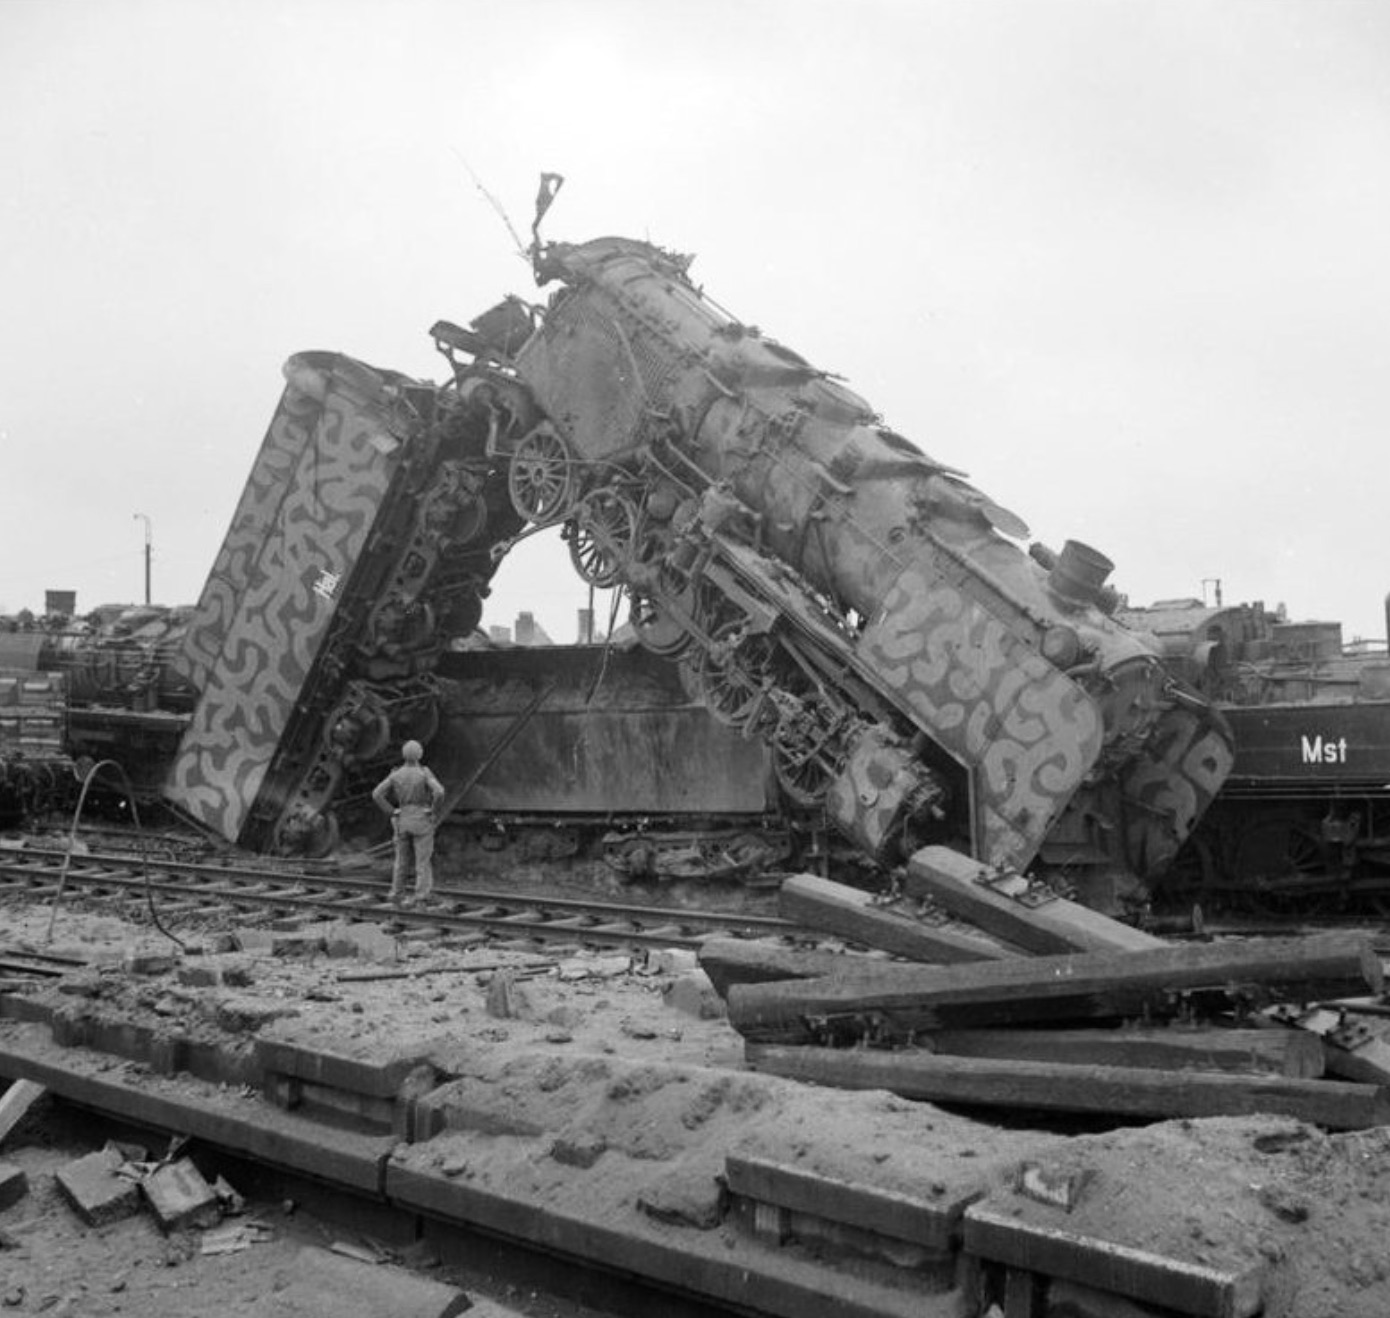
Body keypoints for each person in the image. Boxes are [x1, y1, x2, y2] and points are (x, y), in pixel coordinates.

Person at [371, 740, 446, 906]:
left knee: (401, 861)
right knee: (422, 861)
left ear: (404, 755)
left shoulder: (396, 774)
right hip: (421, 820)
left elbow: (376, 794)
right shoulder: (424, 773)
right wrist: (433, 810)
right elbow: (439, 792)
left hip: (402, 820)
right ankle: (421, 895)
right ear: (420, 754)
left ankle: (396, 893)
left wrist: (392, 811)